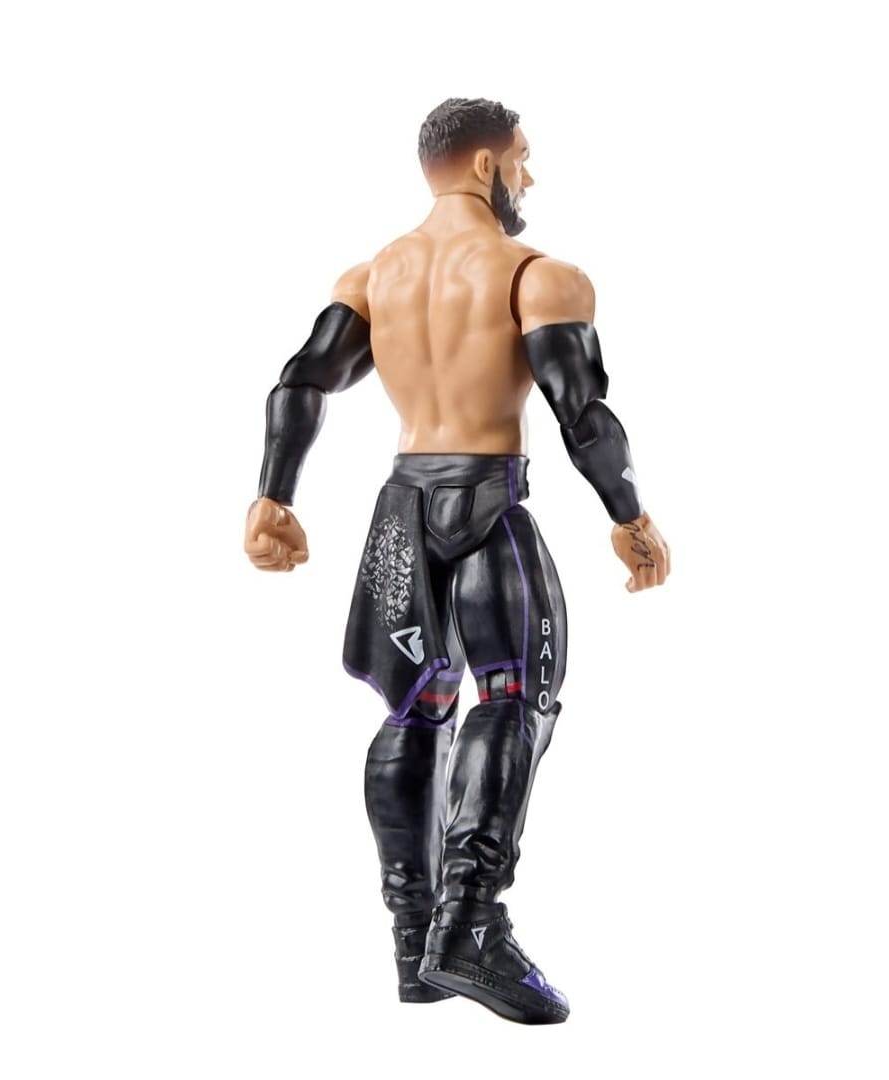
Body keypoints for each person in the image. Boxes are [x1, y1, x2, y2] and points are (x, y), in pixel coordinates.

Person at [244, 98, 669, 1024]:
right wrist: (630, 516)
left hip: (400, 511)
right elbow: (582, 415)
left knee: (414, 708)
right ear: (485, 165)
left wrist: (273, 495)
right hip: (484, 502)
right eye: (523, 159)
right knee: (517, 697)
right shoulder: (538, 276)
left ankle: (415, 944)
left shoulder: (373, 276)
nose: (530, 178)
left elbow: (303, 379)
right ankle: (469, 926)